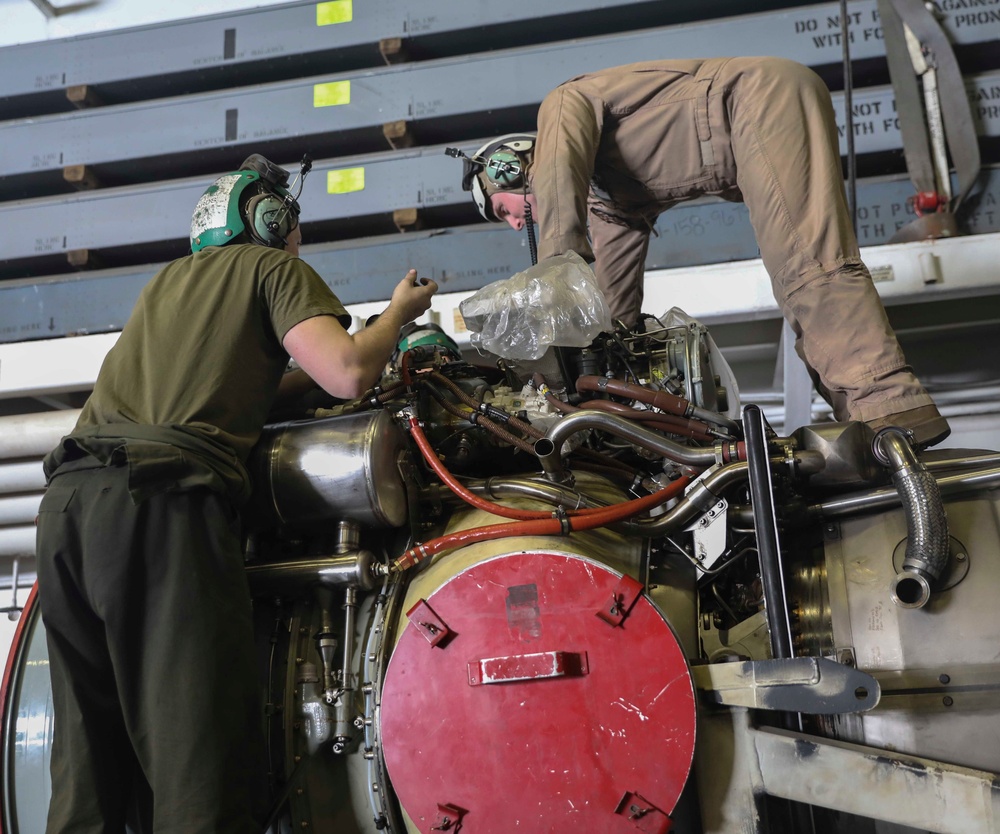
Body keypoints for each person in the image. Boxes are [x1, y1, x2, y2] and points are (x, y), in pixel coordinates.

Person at [34, 153, 438, 833]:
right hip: (156, 507)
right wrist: (397, 316)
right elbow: (347, 373)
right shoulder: (273, 269)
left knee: (89, 766)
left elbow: (233, 385)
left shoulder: (168, 284)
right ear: (272, 219)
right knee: (197, 746)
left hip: (69, 506)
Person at [460, 57, 949, 447]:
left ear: (513, 166)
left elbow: (561, 212)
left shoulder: (562, 107)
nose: (516, 222)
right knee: (798, 279)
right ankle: (862, 423)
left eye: (504, 210)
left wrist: (555, 279)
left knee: (807, 268)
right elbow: (613, 305)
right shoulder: (609, 201)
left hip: (760, 101)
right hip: (752, 131)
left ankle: (890, 410)